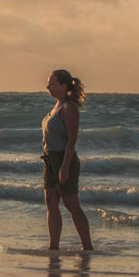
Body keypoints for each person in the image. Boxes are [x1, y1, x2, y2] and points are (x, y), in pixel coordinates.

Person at [42, 69, 93, 251]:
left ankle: (87, 247)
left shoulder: (69, 108)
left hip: (64, 159)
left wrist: (64, 167)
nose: (48, 87)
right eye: (48, 84)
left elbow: (72, 141)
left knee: (72, 205)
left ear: (64, 86)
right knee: (51, 203)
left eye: (52, 84)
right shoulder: (57, 106)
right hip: (49, 159)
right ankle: (53, 247)